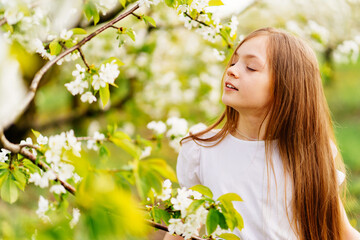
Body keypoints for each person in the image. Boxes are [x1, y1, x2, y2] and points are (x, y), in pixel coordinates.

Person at [163, 27, 360, 240]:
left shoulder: (310, 153)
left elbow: (341, 232)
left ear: (286, 86)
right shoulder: (202, 148)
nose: (232, 70)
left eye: (251, 67)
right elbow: (181, 231)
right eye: (233, 62)